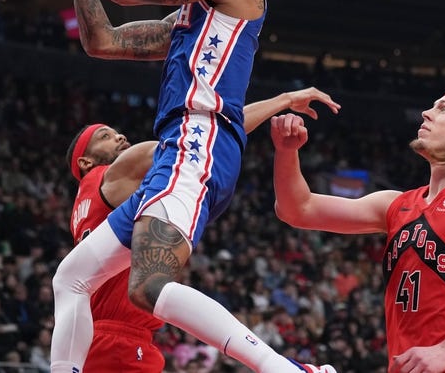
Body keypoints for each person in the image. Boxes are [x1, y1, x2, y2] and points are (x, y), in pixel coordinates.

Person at [50, 0, 335, 373]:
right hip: (187, 146)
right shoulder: (193, 17)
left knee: (149, 286)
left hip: (195, 144)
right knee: (71, 277)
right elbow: (101, 40)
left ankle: (287, 371)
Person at [271, 84, 445, 373]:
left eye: (443, 108)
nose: (426, 113)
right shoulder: (395, 205)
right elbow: (296, 210)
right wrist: (287, 152)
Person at [66, 87, 339, 372]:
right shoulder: (112, 175)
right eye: (105, 136)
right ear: (85, 162)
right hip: (117, 338)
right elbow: (205, 138)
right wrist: (283, 100)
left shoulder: (82, 206)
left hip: (104, 336)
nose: (119, 136)